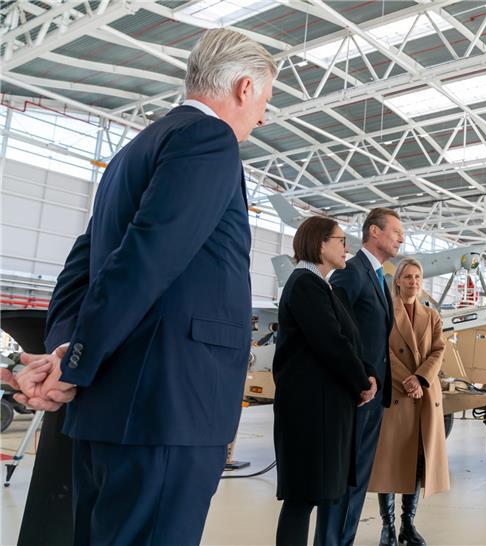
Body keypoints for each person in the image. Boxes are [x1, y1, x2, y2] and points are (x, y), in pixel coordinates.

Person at [14, 29, 276, 544]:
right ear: (245, 88)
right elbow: (145, 260)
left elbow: (80, 270)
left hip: (111, 412)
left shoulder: (130, 154)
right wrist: (74, 362)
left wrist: (67, 350)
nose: (264, 117)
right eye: (267, 100)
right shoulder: (209, 139)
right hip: (169, 408)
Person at [272, 217, 377, 546]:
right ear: (320, 243)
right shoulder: (304, 284)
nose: (347, 247)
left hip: (324, 410)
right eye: (340, 239)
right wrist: (362, 380)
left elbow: (350, 341)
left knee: (311, 496)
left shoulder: (323, 286)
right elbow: (331, 342)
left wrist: (367, 373)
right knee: (301, 499)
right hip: (309, 413)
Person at [315, 208, 403, 546]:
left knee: (357, 481)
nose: (401, 238)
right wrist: (356, 377)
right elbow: (335, 329)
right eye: (395, 231)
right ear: (374, 232)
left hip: (372, 396)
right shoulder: (352, 272)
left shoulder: (379, 276)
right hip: (355, 393)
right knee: (343, 480)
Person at [369, 258, 449, 546]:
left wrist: (420, 378)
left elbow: (438, 350)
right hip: (397, 394)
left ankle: (408, 524)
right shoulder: (385, 312)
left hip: (423, 395)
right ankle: (387, 526)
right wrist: (408, 379)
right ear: (398, 281)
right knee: (390, 461)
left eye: (418, 277)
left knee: (417, 462)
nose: (413, 281)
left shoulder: (432, 316)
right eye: (408, 276)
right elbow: (382, 351)